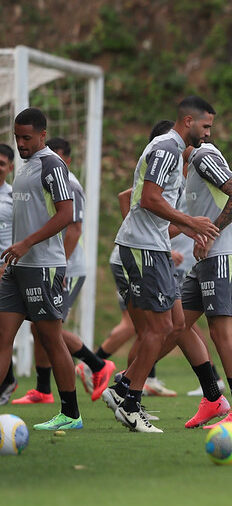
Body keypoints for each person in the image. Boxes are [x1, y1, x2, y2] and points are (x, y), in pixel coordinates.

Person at [103, 96, 221, 432]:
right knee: (156, 330)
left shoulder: (173, 150)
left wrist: (187, 228)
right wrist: (190, 221)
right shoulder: (167, 148)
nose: (208, 134)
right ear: (188, 121)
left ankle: (123, 388)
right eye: (205, 126)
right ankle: (130, 403)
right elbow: (148, 199)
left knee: (176, 324)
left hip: (154, 248)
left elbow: (155, 205)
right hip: (143, 250)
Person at [12, 137, 115, 404]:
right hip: (42, 265)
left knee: (50, 330)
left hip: (66, 268)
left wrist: (63, 270)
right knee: (39, 329)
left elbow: (74, 229)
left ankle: (97, 365)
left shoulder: (71, 184)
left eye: (58, 158)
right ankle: (43, 389)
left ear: (66, 160)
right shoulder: (37, 173)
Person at [0, 108, 82, 430]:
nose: (20, 143)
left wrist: (26, 243)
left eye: (27, 138)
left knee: (50, 340)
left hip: (43, 266)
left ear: (42, 135)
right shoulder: (25, 167)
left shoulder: (52, 165)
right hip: (17, 267)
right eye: (17, 137)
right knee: (2, 337)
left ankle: (71, 414)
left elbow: (66, 214)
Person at [175, 141, 232, 427]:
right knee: (176, 324)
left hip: (222, 256)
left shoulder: (203, 156)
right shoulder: (188, 166)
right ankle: (212, 398)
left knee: (222, 333)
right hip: (204, 261)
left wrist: (209, 235)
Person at [0, 144, 16, 405]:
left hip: (4, 270)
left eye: (1, 164)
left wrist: (7, 264)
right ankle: (9, 378)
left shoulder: (14, 197)